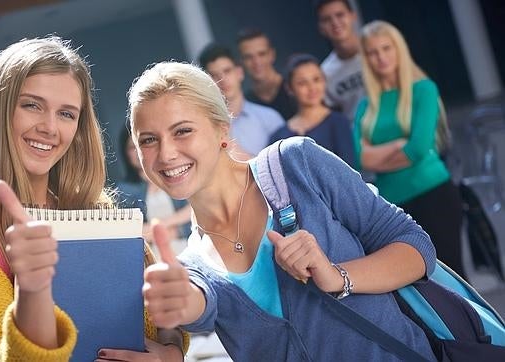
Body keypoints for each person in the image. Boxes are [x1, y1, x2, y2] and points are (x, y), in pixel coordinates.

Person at [128, 61, 437, 361]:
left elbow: (417, 246)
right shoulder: (192, 265)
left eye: (182, 131)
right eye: (149, 140)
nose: (166, 153)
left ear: (222, 129)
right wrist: (180, 309)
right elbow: (199, 305)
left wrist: (338, 276)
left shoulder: (296, 164)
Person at [0, 36, 186, 361]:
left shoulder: (97, 209)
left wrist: (171, 352)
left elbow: (160, 326)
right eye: (32, 105)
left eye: (67, 114)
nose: (50, 127)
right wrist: (33, 289)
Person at [353, 20, 464, 279]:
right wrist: (397, 145)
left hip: (434, 194)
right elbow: (359, 158)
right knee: (421, 287)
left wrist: (377, 156)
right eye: (373, 52)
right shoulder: (364, 106)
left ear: (399, 49)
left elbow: (418, 148)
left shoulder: (423, 89)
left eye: (386, 48)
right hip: (393, 206)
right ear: (366, 59)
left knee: (455, 280)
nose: (381, 57)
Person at [199, 43, 285, 159]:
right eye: (214, 75)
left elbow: (284, 165)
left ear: (239, 72)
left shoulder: (270, 118)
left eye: (227, 71)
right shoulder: (202, 127)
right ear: (206, 82)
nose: (222, 80)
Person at [269, 53, 354, 166]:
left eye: (316, 79)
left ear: (324, 81)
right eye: (302, 83)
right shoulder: (279, 136)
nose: (312, 88)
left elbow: (349, 169)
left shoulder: (338, 122)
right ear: (289, 88)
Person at [117, 126, 191, 251]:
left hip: (187, 248)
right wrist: (175, 224)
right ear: (125, 154)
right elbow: (130, 232)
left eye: (142, 144)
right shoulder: (124, 189)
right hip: (151, 255)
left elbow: (196, 212)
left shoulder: (176, 173)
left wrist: (164, 226)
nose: (138, 151)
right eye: (132, 147)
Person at [316, 0, 366, 123]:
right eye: (327, 19)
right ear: (321, 27)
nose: (335, 22)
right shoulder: (324, 73)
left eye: (340, 15)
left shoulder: (377, 51)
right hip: (356, 135)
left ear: (353, 16)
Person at [237, 28, 297, 120]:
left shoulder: (296, 89)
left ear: (272, 54)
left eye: (261, 54)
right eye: (248, 57)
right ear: (241, 62)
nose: (256, 62)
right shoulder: (246, 104)